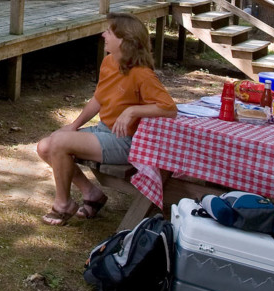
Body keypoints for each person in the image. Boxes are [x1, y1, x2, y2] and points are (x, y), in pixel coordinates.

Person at [34, 13, 176, 225]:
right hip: (103, 130)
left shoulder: (142, 74)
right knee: (45, 146)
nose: (103, 35)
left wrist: (133, 111)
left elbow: (169, 108)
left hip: (126, 141)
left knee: (59, 143)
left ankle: (63, 204)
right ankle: (91, 192)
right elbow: (99, 99)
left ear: (124, 41)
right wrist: (73, 125)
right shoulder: (109, 62)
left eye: (109, 32)